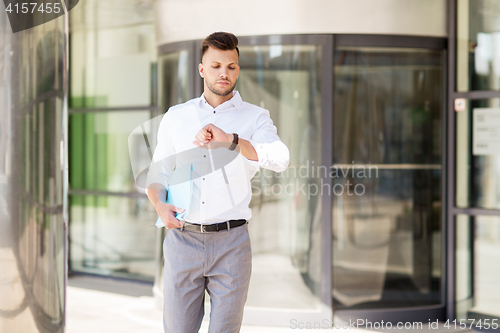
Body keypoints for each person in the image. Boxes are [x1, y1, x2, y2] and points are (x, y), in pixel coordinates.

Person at [145, 31, 290, 333]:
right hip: (183, 240)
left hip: (232, 243)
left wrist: (232, 140)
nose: (224, 73)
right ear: (202, 69)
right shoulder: (177, 117)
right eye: (216, 66)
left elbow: (280, 158)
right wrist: (159, 205)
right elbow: (157, 173)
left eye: (231, 67)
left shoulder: (255, 117)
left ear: (238, 69)